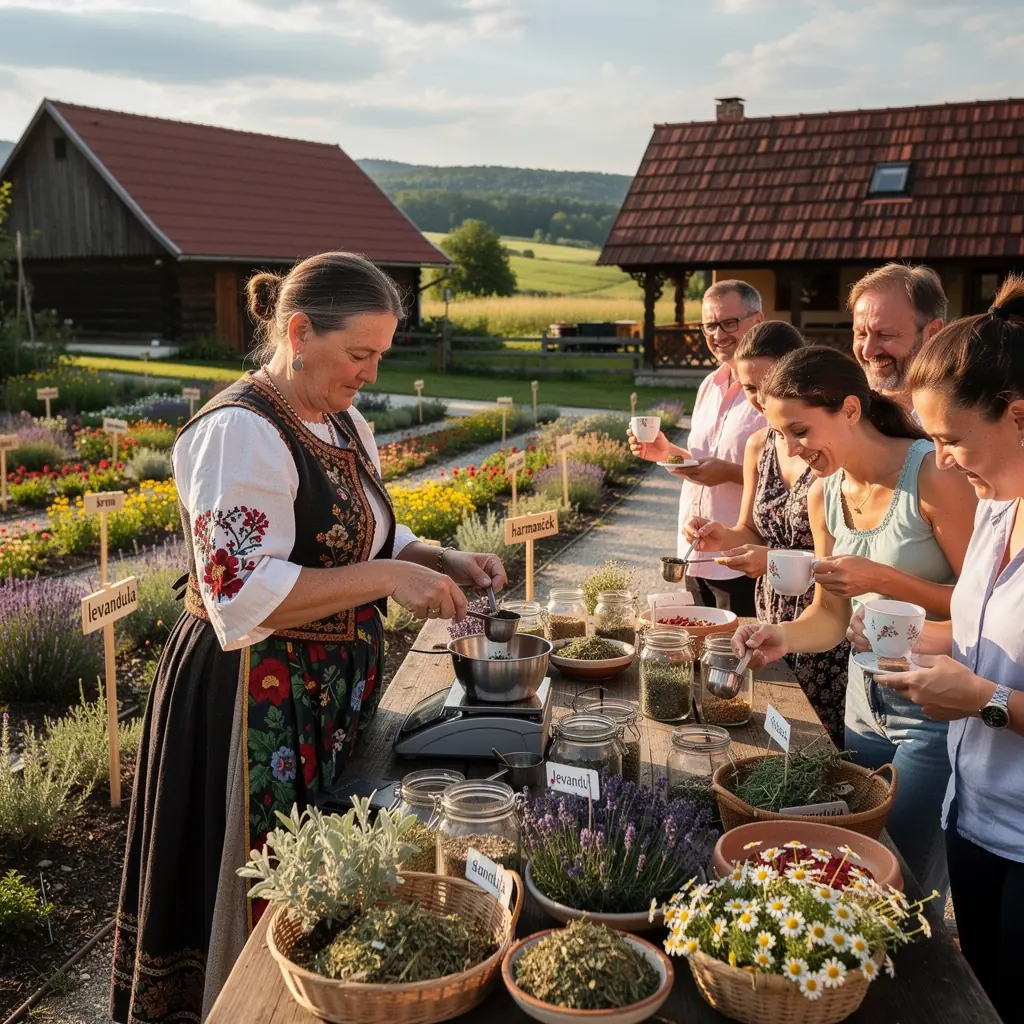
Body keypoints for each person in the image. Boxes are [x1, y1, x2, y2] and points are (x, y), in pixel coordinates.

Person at [111, 252, 508, 1023]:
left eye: (380, 357)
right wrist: (392, 582)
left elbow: (357, 537)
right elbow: (239, 593)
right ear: (299, 332)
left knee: (317, 884)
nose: (370, 374)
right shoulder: (239, 432)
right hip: (247, 698)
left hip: (317, 692)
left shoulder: (340, 419)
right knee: (258, 897)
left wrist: (435, 556)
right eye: (359, 354)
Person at [731, 346, 977, 896]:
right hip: (861, 705)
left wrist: (885, 581)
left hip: (933, 714)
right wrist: (780, 637)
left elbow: (986, 608)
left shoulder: (934, 475)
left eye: (800, 430)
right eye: (779, 436)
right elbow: (830, 616)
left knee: (904, 887)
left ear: (848, 409)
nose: (791, 450)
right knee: (853, 879)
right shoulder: (823, 495)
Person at [847, 275, 1024, 1023]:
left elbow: (992, 686)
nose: (942, 461)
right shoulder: (994, 513)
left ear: (1018, 415)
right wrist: (911, 635)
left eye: (951, 439)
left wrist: (985, 703)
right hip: (975, 816)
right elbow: (982, 635)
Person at [681, 322, 848, 746]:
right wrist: (721, 535)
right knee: (775, 736)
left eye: (764, 385)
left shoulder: (830, 448)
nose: (756, 399)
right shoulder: (760, 446)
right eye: (747, 388)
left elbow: (852, 552)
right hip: (771, 614)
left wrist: (770, 559)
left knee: (819, 741)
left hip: (828, 620)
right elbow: (749, 529)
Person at [628, 279, 766, 615]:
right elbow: (702, 464)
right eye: (709, 326)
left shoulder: (773, 388)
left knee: (735, 656)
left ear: (758, 321)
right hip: (694, 552)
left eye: (729, 323)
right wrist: (665, 452)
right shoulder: (709, 384)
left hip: (742, 557)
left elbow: (795, 477)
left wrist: (729, 474)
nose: (718, 335)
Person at [849, 262, 947, 415]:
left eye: (885, 335)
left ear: (932, 333)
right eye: (861, 334)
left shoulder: (961, 416)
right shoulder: (847, 411)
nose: (868, 351)